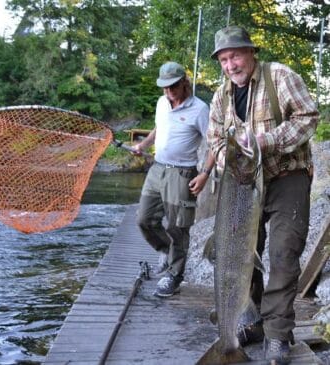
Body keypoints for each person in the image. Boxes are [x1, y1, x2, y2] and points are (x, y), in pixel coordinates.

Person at [205, 25, 319, 364]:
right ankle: (249, 323)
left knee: (284, 256)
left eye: (235, 55)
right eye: (224, 59)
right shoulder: (221, 95)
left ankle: (277, 336)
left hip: (287, 179)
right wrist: (228, 157)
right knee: (239, 255)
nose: (230, 65)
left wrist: (262, 143)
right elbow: (214, 139)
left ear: (251, 52)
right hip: (241, 185)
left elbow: (308, 117)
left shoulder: (280, 77)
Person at [133, 61, 215, 298]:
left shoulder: (199, 109)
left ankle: (174, 275)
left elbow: (214, 145)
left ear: (184, 83)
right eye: (165, 87)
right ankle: (164, 250)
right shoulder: (161, 103)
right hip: (157, 169)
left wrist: (205, 174)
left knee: (178, 227)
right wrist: (143, 145)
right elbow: (158, 128)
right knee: (144, 219)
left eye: (173, 86)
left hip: (182, 174)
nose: (169, 91)